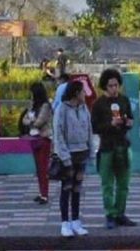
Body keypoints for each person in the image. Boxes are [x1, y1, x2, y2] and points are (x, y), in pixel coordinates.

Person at [91, 68, 136, 229]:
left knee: (123, 183)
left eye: (116, 85)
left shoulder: (124, 100)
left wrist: (129, 122)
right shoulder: (98, 104)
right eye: (110, 86)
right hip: (106, 147)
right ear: (105, 86)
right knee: (107, 183)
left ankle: (120, 213)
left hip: (123, 145)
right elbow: (94, 127)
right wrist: (110, 124)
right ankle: (110, 214)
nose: (114, 89)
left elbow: (130, 117)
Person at [53, 79, 92, 238]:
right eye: (83, 91)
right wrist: (64, 156)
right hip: (68, 154)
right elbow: (58, 133)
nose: (85, 94)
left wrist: (91, 152)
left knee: (77, 189)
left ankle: (76, 220)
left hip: (82, 153)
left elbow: (89, 130)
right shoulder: (62, 109)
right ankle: (65, 223)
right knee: (66, 188)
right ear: (76, 92)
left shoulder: (84, 108)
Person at [22, 81, 53, 204]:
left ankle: (45, 194)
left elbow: (39, 122)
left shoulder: (45, 106)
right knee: (38, 168)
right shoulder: (32, 106)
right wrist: (30, 120)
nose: (31, 96)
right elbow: (24, 119)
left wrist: (30, 120)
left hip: (43, 139)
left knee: (43, 168)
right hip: (33, 138)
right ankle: (41, 192)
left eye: (32, 93)